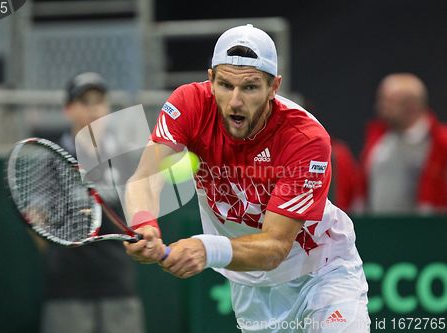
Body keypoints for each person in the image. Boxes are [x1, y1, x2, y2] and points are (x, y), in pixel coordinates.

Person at [123, 25, 370, 332]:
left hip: (321, 271)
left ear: (274, 87)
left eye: (250, 87)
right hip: (251, 284)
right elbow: (144, 177)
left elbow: (276, 246)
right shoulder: (189, 104)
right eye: (225, 85)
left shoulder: (305, 138)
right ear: (210, 79)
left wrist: (206, 248)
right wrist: (144, 223)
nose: (235, 101)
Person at [40, 72, 145, 333]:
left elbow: (140, 210)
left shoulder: (127, 158)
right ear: (68, 109)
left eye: (99, 101)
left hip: (118, 286)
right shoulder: (51, 159)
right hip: (67, 290)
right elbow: (37, 220)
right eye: (85, 102)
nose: (94, 110)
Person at [361, 73, 447, 214]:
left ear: (411, 105)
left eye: (388, 101)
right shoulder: (378, 140)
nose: (380, 107)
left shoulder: (441, 144)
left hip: (427, 231)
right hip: (379, 230)